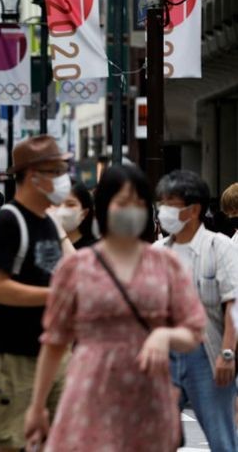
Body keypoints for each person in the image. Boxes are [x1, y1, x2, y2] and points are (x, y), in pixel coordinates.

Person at [24, 165, 207, 451]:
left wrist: (164, 336)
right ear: (105, 206)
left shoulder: (166, 264)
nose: (131, 209)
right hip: (89, 388)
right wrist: (37, 406)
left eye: (139, 202)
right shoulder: (76, 266)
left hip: (148, 396)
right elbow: (54, 341)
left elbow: (195, 330)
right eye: (123, 202)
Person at [0, 135, 75, 452]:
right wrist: (54, 296)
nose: (64, 178)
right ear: (33, 175)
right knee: (9, 442)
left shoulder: (47, 222)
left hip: (51, 350)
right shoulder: (9, 221)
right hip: (10, 354)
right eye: (57, 170)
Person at [154, 170, 238, 451]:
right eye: (161, 203)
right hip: (163, 356)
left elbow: (233, 305)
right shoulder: (157, 252)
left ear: (194, 209)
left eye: (172, 204)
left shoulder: (220, 247)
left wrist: (227, 354)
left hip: (207, 353)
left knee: (222, 439)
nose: (163, 211)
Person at [52, 179, 98, 249]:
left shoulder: (95, 249)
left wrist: (62, 235)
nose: (61, 209)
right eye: (57, 203)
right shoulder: (43, 244)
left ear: (84, 213)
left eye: (70, 205)